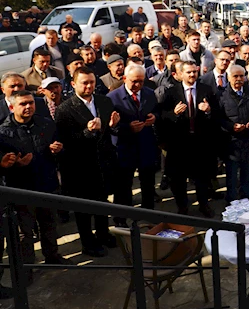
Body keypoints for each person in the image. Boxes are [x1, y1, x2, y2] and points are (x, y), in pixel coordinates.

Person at [0, 91, 71, 273]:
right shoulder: (4, 132)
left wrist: (58, 150)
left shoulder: (46, 124)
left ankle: (52, 256)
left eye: (31, 103)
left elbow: (60, 152)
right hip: (22, 189)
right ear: (12, 107)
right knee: (26, 232)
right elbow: (3, 165)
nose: (28, 107)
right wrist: (15, 164)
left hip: (46, 184)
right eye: (23, 104)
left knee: (49, 224)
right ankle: (28, 267)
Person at [55, 67, 120, 257]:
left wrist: (112, 126)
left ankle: (103, 233)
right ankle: (87, 242)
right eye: (84, 82)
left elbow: (111, 131)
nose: (89, 86)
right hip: (80, 166)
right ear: (74, 84)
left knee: (102, 202)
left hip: (103, 161)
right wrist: (88, 132)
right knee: (84, 207)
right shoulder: (65, 109)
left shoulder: (104, 101)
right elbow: (66, 141)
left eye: (91, 82)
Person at [159, 61, 216, 217]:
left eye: (194, 72)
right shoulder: (171, 93)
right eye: (188, 72)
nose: (192, 75)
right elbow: (162, 117)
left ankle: (204, 205)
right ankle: (182, 207)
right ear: (181, 74)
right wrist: (174, 114)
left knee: (202, 178)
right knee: (178, 179)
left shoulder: (206, 90)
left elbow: (217, 114)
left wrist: (209, 111)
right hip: (179, 144)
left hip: (200, 143)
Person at [109, 64, 159, 223]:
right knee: (123, 185)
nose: (137, 85)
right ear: (124, 79)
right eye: (134, 82)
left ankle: (149, 214)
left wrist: (154, 117)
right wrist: (126, 128)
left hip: (146, 145)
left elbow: (157, 110)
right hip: (125, 147)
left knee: (148, 183)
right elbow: (109, 127)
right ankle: (121, 218)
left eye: (141, 82)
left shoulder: (149, 94)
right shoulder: (112, 98)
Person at [219, 65, 249, 203]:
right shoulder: (222, 95)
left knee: (247, 169)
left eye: (241, 76)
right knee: (231, 172)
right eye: (235, 76)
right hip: (231, 140)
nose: (239, 79)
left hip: (248, 138)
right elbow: (219, 118)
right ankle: (231, 197)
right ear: (229, 78)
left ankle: (246, 194)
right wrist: (232, 126)